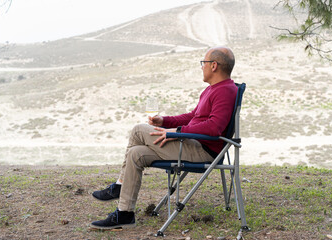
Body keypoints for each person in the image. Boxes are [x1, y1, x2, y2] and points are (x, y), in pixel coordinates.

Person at [90, 46, 238, 229]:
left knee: (138, 130)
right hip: (190, 141)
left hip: (202, 150)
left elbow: (215, 128)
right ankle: (125, 214)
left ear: (214, 65)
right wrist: (165, 122)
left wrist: (177, 132)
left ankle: (119, 186)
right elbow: (193, 116)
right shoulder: (211, 90)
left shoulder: (225, 90)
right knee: (136, 154)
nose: (202, 67)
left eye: (204, 63)